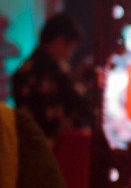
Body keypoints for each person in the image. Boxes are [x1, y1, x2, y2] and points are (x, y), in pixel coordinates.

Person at [11, 11, 93, 140]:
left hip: (26, 144)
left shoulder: (22, 70)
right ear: (59, 41)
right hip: (54, 146)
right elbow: (84, 104)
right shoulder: (58, 70)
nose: (70, 55)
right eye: (71, 48)